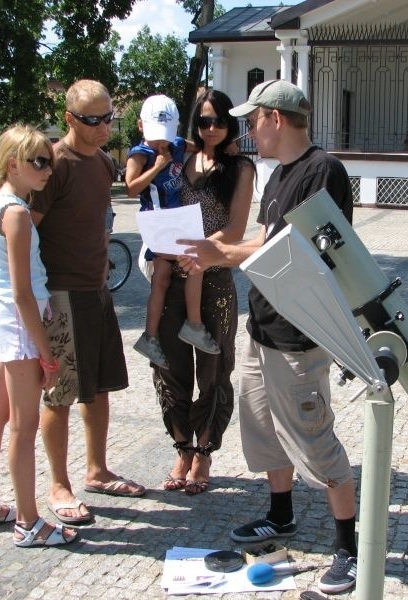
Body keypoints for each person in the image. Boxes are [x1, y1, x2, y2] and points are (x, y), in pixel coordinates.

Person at [177, 80, 359, 594]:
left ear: (275, 118)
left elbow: (288, 248)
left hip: (298, 334)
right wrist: (213, 245)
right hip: (264, 327)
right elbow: (259, 237)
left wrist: (217, 256)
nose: (247, 129)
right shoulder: (280, 174)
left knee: (314, 439)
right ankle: (281, 517)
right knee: (262, 429)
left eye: (252, 119)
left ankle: (347, 545)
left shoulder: (323, 171)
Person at [0, 124, 77, 547]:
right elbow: (24, 293)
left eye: (50, 161)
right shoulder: (18, 213)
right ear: (12, 164)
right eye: (38, 162)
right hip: (20, 321)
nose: (47, 169)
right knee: (22, 426)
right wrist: (47, 354)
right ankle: (28, 522)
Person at [28, 79, 145, 527]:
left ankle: (97, 469)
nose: (104, 127)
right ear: (70, 119)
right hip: (59, 296)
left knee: (97, 389)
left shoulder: (100, 164)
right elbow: (25, 233)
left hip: (97, 293)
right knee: (59, 394)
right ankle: (59, 484)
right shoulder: (52, 164)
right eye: (94, 119)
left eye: (109, 117)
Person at [152, 89, 254, 495]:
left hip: (213, 280)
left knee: (213, 369)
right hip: (172, 275)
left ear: (230, 123)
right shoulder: (183, 157)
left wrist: (199, 250)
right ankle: (182, 447)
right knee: (168, 365)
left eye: (219, 121)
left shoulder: (240, 167)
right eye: (204, 120)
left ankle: (205, 451)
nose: (211, 128)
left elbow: (235, 230)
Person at [126, 94, 220, 370]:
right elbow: (131, 188)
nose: (161, 142)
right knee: (196, 260)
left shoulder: (177, 144)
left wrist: (226, 150)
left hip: (176, 220)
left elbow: (202, 147)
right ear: (141, 125)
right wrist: (157, 166)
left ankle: (150, 337)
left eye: (165, 135)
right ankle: (193, 324)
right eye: (155, 135)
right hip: (157, 223)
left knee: (162, 279)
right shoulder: (140, 154)